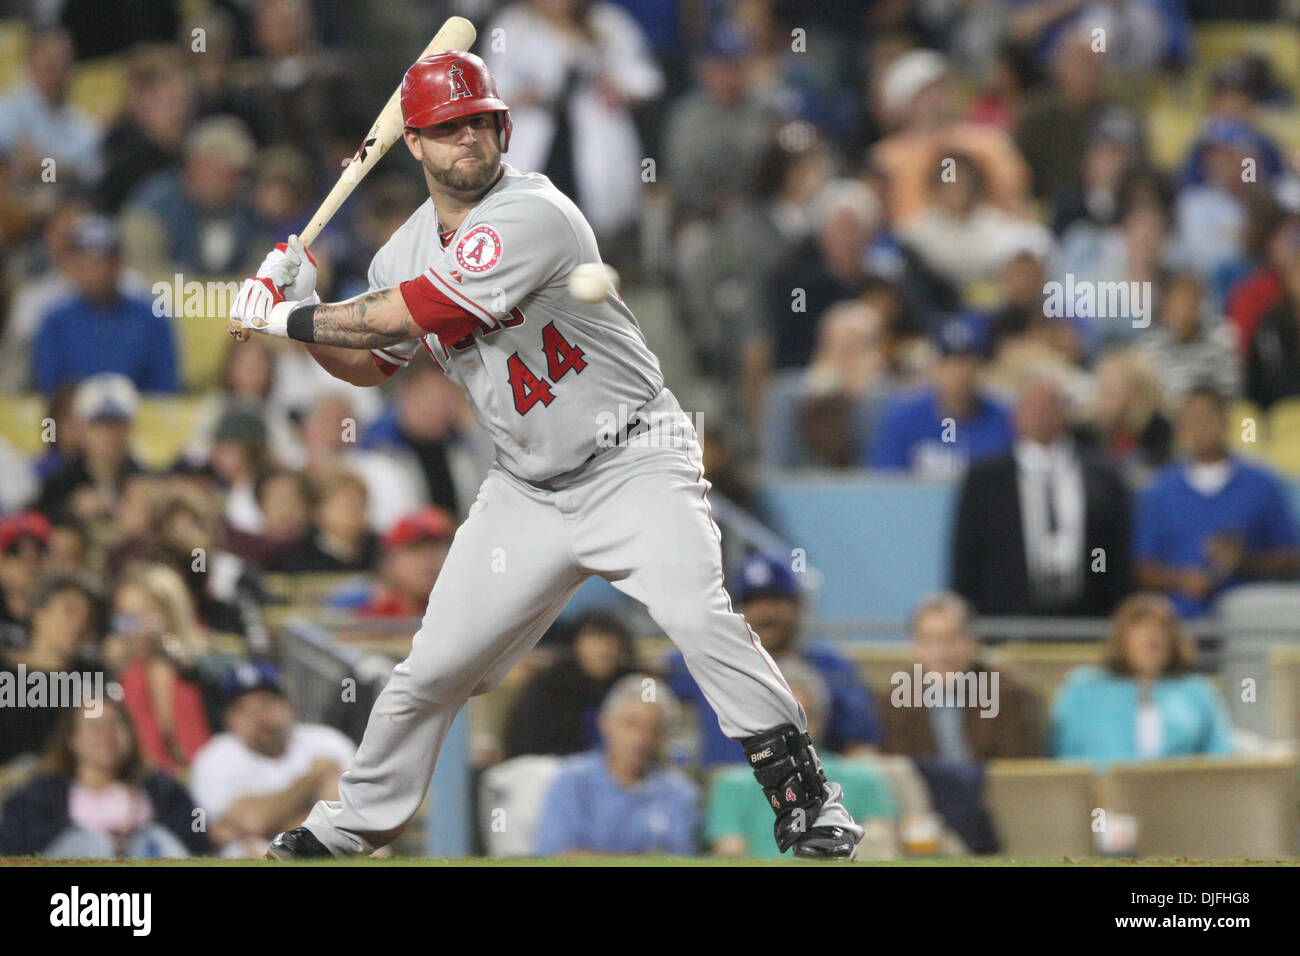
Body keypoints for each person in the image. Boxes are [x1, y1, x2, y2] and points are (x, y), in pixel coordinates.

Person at [229, 51, 862, 860]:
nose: (467, 138)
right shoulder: (399, 253)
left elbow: (412, 312)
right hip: (526, 487)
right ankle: (346, 831)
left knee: (696, 612)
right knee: (430, 671)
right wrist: (307, 306)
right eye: (445, 128)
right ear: (414, 145)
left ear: (503, 128)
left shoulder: (536, 212)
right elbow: (370, 361)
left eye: (478, 122)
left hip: (635, 457)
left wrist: (285, 320)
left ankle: (809, 803)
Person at [668, 552, 883, 765]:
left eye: (776, 600)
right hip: (722, 791)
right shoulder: (711, 661)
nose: (766, 613)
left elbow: (861, 748)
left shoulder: (830, 667)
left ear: (797, 606)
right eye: (755, 602)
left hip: (806, 789)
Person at [952, 376, 1131, 617]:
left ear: (1063, 414)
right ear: (1016, 416)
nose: (1039, 415)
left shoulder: (1102, 475)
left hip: (1086, 619)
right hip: (1008, 623)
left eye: (1047, 407)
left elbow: (1111, 553)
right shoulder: (986, 480)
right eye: (1031, 407)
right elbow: (968, 559)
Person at [707, 659, 898, 859]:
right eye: (781, 721)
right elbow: (729, 849)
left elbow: (880, 837)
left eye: (802, 720)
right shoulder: (732, 784)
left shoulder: (863, 777)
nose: (792, 732)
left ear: (820, 719)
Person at [1135, 385, 1299, 617]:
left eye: (1204, 419)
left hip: (1247, 619)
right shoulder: (1160, 490)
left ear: (1225, 422)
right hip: (1180, 620)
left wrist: (1244, 562)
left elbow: (1291, 558)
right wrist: (1182, 580)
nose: (1196, 429)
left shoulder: (1263, 484)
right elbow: (1142, 567)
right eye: (1187, 421)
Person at [0, 698, 210, 858]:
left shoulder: (160, 788)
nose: (107, 736)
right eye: (95, 727)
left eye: (116, 725)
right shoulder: (41, 793)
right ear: (72, 739)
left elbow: (198, 836)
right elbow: (13, 844)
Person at [189, 660, 355, 857]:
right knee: (254, 853)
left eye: (266, 704)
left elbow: (349, 821)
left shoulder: (327, 741)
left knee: (375, 852)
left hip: (325, 853)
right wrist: (313, 778)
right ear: (229, 720)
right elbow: (252, 820)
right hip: (255, 857)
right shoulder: (214, 757)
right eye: (245, 710)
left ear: (289, 707)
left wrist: (263, 828)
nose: (259, 718)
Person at [1051, 593, 1235, 765]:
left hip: (1180, 794)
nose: (1153, 634)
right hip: (1102, 793)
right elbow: (1064, 755)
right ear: (1122, 638)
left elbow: (1220, 754)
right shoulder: (1084, 687)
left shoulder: (1197, 691)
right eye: (1141, 627)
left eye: (1162, 628)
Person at [532, 674, 698, 856]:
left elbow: (680, 857)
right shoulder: (573, 780)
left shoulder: (679, 792)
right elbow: (557, 854)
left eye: (653, 729)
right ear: (605, 723)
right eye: (631, 724)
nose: (641, 739)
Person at [880, 592, 1041, 761]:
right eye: (929, 641)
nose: (941, 653)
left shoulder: (1007, 693)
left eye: (951, 639)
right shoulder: (894, 702)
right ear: (914, 647)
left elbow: (1017, 769)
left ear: (973, 642)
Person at [30, 214, 179, 395]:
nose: (96, 271)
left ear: (119, 263)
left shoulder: (152, 317)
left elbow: (163, 389)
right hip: (75, 419)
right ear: (74, 265)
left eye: (104, 261)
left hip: (141, 417)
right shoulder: (54, 321)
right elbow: (50, 389)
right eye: (87, 262)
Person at [869, 314, 1014, 477]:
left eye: (967, 362)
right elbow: (885, 484)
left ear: (981, 366)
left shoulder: (1004, 419)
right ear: (934, 366)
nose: (958, 373)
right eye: (948, 361)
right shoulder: (903, 419)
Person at [502, 609, 640, 759]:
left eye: (610, 640)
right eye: (595, 638)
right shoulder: (551, 685)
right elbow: (527, 744)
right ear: (576, 644)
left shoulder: (634, 684)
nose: (603, 648)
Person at [0, 575, 103, 766]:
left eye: (88, 617)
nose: (79, 623)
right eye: (69, 610)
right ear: (39, 613)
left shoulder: (93, 680)